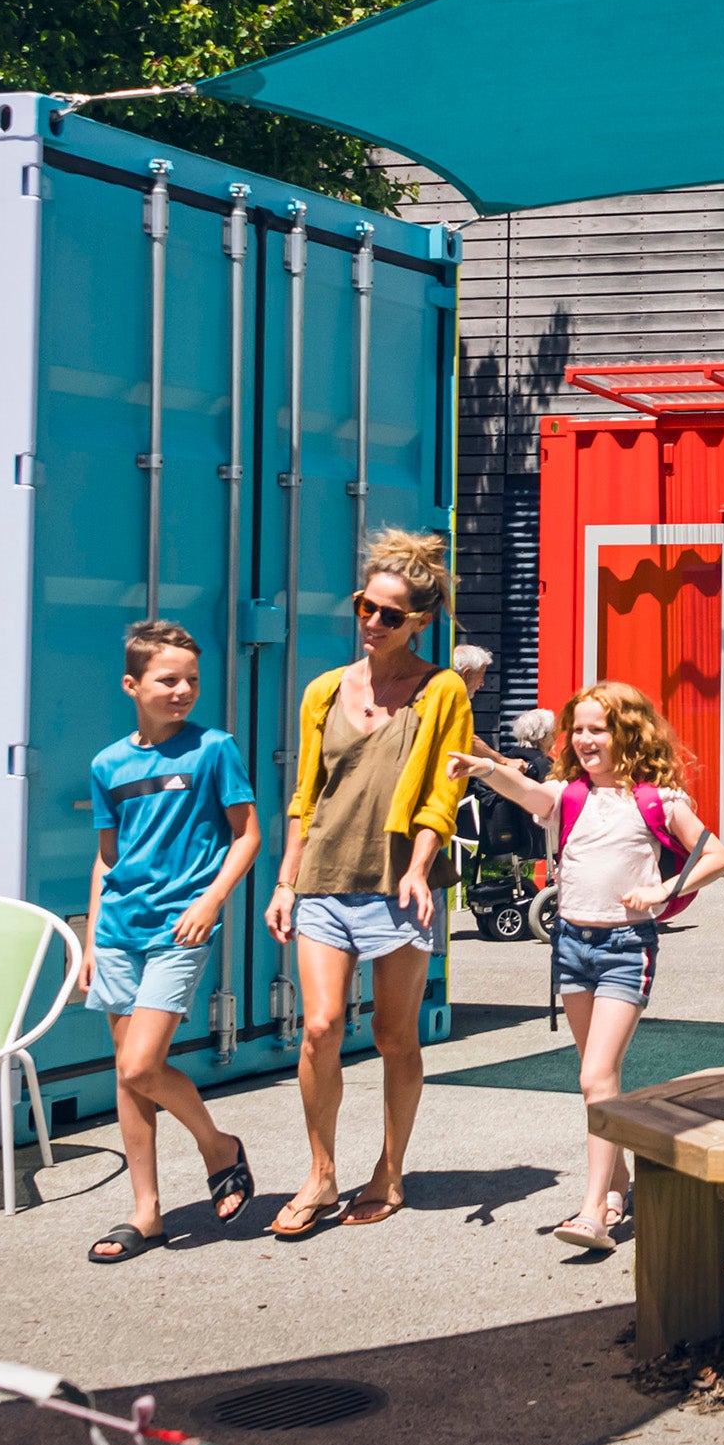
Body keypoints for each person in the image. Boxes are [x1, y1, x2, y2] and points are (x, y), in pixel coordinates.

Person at [456, 680, 724, 1251]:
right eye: (576, 729)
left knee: (595, 1076)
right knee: (595, 1080)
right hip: (571, 947)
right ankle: (620, 1180)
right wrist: (483, 767)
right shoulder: (567, 796)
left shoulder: (659, 800)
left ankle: (592, 1213)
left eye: (596, 728)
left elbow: (717, 854)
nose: (584, 739)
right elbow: (523, 788)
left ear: (627, 732)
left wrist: (661, 890)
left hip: (626, 948)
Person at [260, 528, 473, 1236]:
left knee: (393, 1035)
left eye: (388, 613)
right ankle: (320, 1174)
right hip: (323, 879)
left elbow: (442, 792)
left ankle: (389, 1170)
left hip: (396, 885)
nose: (370, 622)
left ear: (420, 621)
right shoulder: (324, 691)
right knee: (319, 1026)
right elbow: (305, 796)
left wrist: (419, 868)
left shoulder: (441, 691)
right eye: (364, 606)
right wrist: (286, 880)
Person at [78, 619, 260, 1262]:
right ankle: (146, 1212)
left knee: (141, 1064)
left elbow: (247, 836)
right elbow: (107, 857)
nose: (182, 690)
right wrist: (93, 940)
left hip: (180, 926)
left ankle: (218, 1146)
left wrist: (210, 901)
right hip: (118, 932)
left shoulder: (214, 749)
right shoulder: (108, 763)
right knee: (130, 1081)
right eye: (167, 680)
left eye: (191, 681)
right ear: (132, 684)